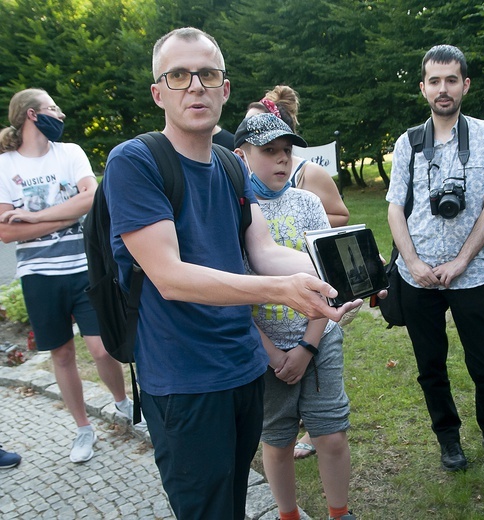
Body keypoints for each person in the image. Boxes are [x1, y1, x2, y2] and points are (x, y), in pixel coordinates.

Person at [101, 27, 361, 519]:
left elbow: (263, 249)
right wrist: (281, 291)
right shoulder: (135, 162)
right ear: (159, 92)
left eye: (208, 74)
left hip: (243, 370)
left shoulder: (228, 165)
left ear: (225, 90)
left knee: (233, 502)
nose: (195, 85)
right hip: (184, 380)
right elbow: (170, 277)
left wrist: (335, 276)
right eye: (178, 75)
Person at [386, 44, 484, 472]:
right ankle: (448, 439)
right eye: (434, 81)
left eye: (451, 79)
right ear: (422, 88)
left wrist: (459, 261)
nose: (443, 89)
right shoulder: (408, 142)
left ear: (465, 85)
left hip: (470, 273)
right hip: (416, 275)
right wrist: (413, 263)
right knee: (430, 364)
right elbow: (395, 208)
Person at [0, 88, 140, 464]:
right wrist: (64, 217)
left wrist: (31, 216)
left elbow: (92, 198)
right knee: (61, 354)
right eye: (52, 108)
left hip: (82, 267)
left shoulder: (71, 153)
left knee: (101, 347)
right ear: (31, 114)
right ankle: (83, 429)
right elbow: (6, 231)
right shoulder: (6, 164)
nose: (59, 114)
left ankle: (122, 404)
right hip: (38, 274)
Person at [234, 112, 355, 520]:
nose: (282, 160)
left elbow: (328, 280)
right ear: (241, 155)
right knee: (278, 441)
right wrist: (273, 354)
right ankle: (287, 514)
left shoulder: (308, 203)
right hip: (263, 349)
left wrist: (306, 346)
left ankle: (340, 512)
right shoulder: (232, 213)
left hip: (317, 342)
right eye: (269, 151)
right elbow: (233, 292)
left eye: (286, 151)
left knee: (332, 436)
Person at [245, 85, 350, 228]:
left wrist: (296, 219)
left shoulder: (309, 174)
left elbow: (341, 215)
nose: (247, 129)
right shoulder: (238, 173)